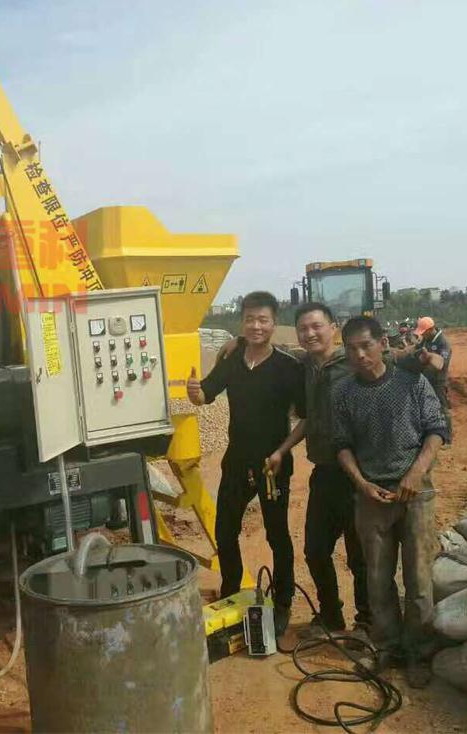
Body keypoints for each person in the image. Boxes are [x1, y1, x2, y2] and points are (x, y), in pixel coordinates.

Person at [333, 316, 450, 688]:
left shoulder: (412, 382)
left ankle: (418, 652)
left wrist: (415, 474)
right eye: (351, 349)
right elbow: (341, 445)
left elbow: (436, 430)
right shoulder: (343, 392)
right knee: (378, 577)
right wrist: (362, 484)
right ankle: (386, 647)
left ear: (383, 343)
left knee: (419, 579)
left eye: (365, 345)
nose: (359, 355)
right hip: (372, 495)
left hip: (416, 492)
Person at [187, 291, 306, 635]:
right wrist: (194, 392)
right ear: (242, 323)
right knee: (225, 531)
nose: (256, 326)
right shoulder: (233, 359)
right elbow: (206, 393)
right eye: (250, 319)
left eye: (263, 320)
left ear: (274, 323)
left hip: (272, 466)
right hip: (236, 462)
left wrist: (282, 451)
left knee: (277, 535)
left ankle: (282, 602)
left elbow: (306, 418)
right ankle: (230, 592)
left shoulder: (288, 368)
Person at [250, 303, 371, 635]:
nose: (310, 333)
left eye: (317, 326)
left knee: (359, 554)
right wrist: (282, 450)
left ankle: (367, 622)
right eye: (303, 328)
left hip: (359, 474)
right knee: (315, 550)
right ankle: (331, 616)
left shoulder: (354, 363)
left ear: (333, 328)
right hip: (325, 472)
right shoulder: (303, 367)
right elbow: (307, 418)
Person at [396, 316, 452, 437]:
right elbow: (416, 348)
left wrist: (429, 357)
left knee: (442, 408)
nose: (422, 335)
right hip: (426, 378)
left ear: (431, 329)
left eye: (424, 332)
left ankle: (447, 435)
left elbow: (441, 364)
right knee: (425, 406)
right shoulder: (427, 339)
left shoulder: (443, 343)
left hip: (438, 381)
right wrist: (403, 352)